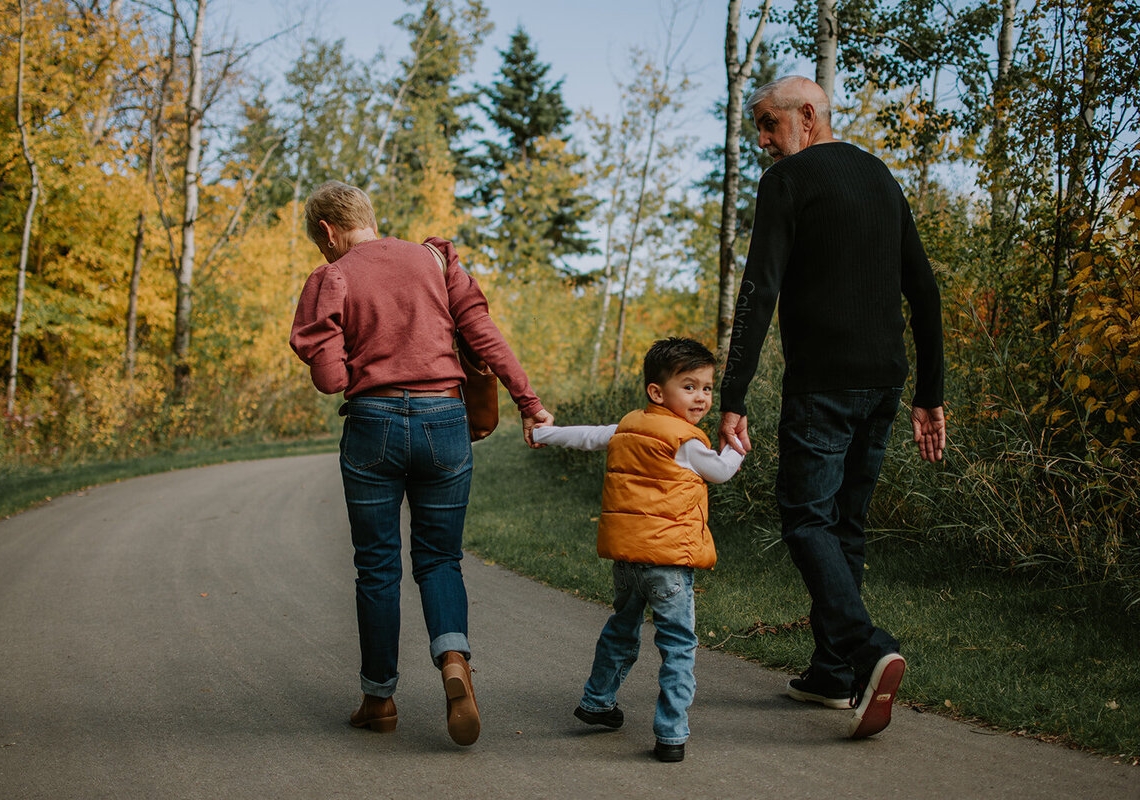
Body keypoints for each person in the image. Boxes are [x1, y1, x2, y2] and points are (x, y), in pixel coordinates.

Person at [718, 76, 946, 739]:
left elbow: (759, 288)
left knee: (804, 517)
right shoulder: (879, 176)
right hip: (884, 383)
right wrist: (930, 392)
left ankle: (867, 648)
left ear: (809, 116)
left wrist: (733, 397)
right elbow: (924, 291)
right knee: (845, 525)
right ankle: (832, 672)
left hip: (823, 386)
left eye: (767, 124)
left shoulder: (786, 183)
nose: (762, 140)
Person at [289, 181, 553, 747]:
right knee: (439, 559)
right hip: (445, 422)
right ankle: (455, 663)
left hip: (373, 426)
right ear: (370, 218)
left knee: (378, 566)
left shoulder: (332, 276)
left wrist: (344, 353)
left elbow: (331, 379)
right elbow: (483, 336)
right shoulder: (435, 258)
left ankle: (379, 698)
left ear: (328, 232)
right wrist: (529, 404)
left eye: (320, 242)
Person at [532, 337, 745, 762]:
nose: (701, 397)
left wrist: (544, 432)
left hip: (628, 562)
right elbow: (719, 472)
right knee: (678, 646)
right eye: (689, 386)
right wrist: (736, 445)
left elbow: (588, 436)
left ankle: (597, 701)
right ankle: (670, 733)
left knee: (621, 629)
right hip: (669, 566)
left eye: (706, 387)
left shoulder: (628, 426)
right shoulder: (685, 440)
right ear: (656, 391)